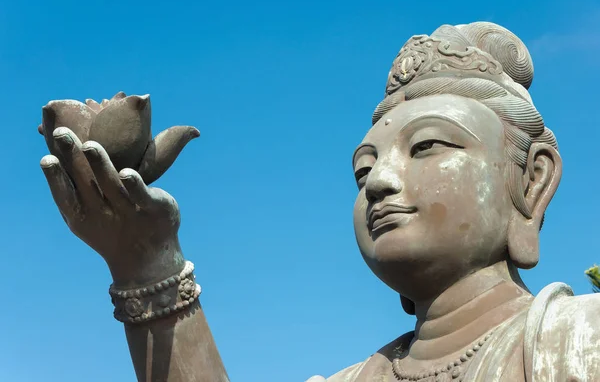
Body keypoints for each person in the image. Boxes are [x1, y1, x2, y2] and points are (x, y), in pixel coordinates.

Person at [39, 22, 600, 382]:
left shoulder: (576, 340)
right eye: (364, 169)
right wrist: (146, 265)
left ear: (532, 182)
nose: (379, 181)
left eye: (427, 146)